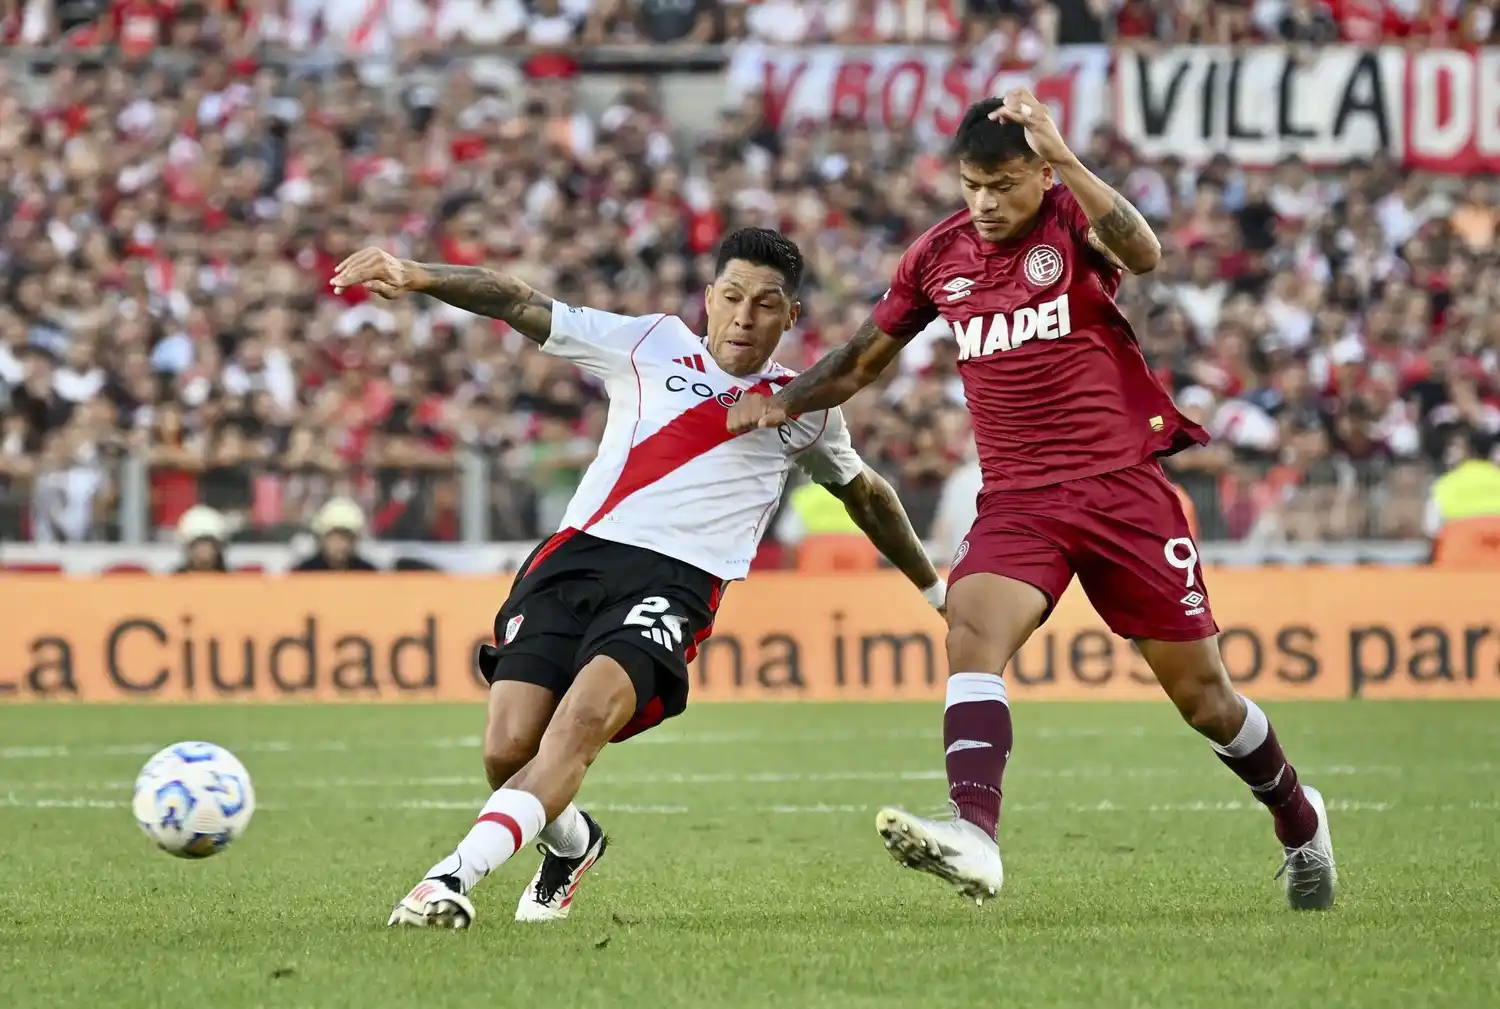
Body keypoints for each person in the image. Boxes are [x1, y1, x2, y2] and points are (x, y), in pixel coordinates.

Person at [727, 93, 1337, 911]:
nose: (985, 202)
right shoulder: (937, 255)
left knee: (1205, 699)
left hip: (1122, 490)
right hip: (1019, 499)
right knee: (971, 631)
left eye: (1003, 183)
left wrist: (1069, 159)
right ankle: (975, 833)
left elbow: (1145, 253)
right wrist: (785, 401)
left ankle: (1299, 818)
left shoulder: (1070, 217)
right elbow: (862, 359)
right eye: (972, 184)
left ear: (1040, 173)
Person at [330, 228, 944, 930]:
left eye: (766, 304)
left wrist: (935, 591)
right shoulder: (648, 343)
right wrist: (415, 272)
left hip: (676, 585)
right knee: (508, 752)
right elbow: (518, 300)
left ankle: (447, 878)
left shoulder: (805, 408)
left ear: (792, 315)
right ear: (708, 298)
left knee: (578, 727)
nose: (744, 317)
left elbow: (868, 497)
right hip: (575, 558)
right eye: (733, 297)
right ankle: (574, 844)